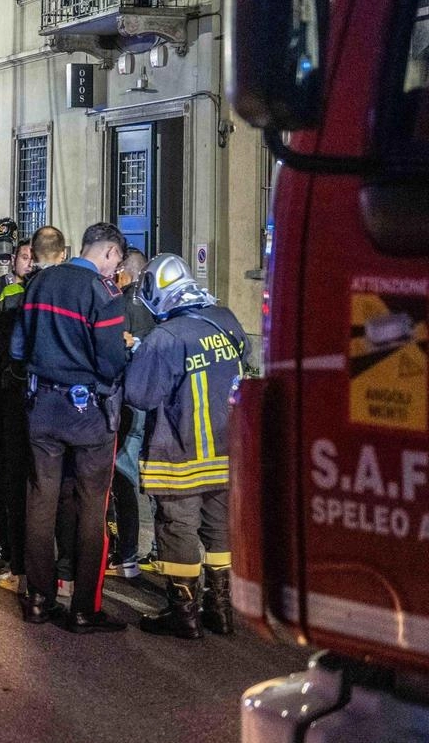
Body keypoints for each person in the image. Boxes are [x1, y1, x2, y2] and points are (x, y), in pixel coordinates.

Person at [12, 222, 130, 633]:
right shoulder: (104, 294)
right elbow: (112, 361)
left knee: (41, 501)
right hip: (88, 414)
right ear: (111, 253)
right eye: (116, 261)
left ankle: (39, 600)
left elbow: (17, 347)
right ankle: (84, 608)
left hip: (41, 406)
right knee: (91, 506)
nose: (116, 270)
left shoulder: (40, 283)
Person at [125, 254, 250, 639]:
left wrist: (136, 353)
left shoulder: (165, 338)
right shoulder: (225, 320)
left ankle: (184, 614)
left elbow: (140, 395)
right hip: (226, 449)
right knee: (219, 530)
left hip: (180, 451)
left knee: (177, 528)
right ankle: (221, 610)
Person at [0, 236, 33, 591]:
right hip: (2, 395)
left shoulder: (36, 294)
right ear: (13, 260)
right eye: (24, 257)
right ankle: (3, 540)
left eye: (33, 257)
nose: (28, 263)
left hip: (27, 400)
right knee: (3, 472)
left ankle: (25, 551)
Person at [107, 248, 156, 578]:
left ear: (124, 270)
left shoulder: (121, 301)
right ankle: (156, 551)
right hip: (152, 402)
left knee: (121, 478)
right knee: (148, 480)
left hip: (126, 400)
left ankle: (125, 556)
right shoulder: (156, 307)